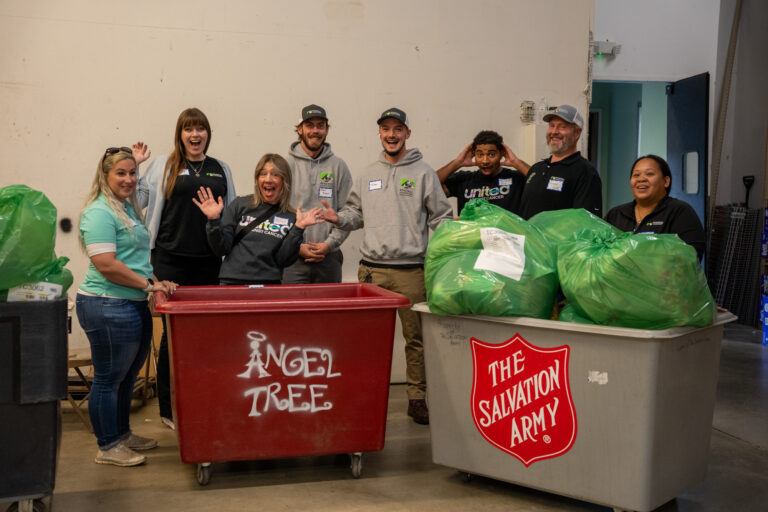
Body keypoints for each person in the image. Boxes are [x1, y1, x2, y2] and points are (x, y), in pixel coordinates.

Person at [320, 107, 453, 425]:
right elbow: (354, 213)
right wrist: (339, 218)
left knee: (416, 341)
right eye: (385, 129)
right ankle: (363, 394)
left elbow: (442, 219)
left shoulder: (424, 173)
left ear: (408, 133)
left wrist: (447, 255)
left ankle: (417, 399)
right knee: (366, 342)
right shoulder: (367, 174)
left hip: (411, 272)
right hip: (372, 272)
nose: (391, 135)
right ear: (379, 133)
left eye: (397, 129)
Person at [76, 146, 177, 467]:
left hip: (132, 304)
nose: (129, 179)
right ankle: (107, 446)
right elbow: (106, 264)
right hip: (106, 305)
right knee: (108, 379)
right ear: (105, 176)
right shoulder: (99, 212)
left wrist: (156, 282)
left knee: (126, 376)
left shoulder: (126, 208)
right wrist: (149, 286)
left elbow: (136, 259)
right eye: (121, 173)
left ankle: (122, 434)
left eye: (132, 173)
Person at [137, 108, 236, 431]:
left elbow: (231, 214)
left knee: (207, 336)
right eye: (188, 129)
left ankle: (205, 398)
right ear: (180, 134)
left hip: (209, 263)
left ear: (208, 133)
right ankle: (168, 409)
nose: (195, 135)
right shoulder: (165, 165)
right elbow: (137, 200)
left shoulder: (221, 169)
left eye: (201, 129)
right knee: (172, 336)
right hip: (169, 262)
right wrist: (136, 169)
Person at [194, 153, 325, 284]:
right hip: (232, 282)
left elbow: (283, 260)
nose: (268, 179)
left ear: (284, 181)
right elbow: (221, 249)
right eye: (263, 174)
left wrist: (298, 228)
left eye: (275, 174)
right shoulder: (240, 205)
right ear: (257, 179)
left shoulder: (291, 217)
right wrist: (213, 221)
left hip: (268, 285)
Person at [282, 104, 353, 283]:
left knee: (329, 311)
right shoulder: (284, 165)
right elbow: (275, 212)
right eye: (310, 125)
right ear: (300, 129)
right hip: (292, 259)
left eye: (320, 125)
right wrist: (296, 246)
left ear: (327, 130)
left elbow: (350, 212)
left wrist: (328, 245)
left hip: (330, 258)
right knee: (292, 311)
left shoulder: (339, 166)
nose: (315, 130)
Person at [605, 154, 706, 260]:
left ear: (666, 181)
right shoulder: (616, 214)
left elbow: (690, 257)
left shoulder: (680, 211)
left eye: (649, 174)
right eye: (636, 175)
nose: (641, 179)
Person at [518, 104, 602, 220]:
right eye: (552, 126)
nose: (554, 132)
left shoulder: (585, 172)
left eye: (562, 127)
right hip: (528, 238)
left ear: (577, 132)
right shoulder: (537, 169)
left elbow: (586, 222)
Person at [436, 130, 530, 215]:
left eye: (491, 154)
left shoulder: (516, 179)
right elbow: (431, 184)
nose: (485, 161)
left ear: (501, 153)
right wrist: (457, 163)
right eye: (480, 154)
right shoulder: (463, 179)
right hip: (471, 234)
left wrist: (516, 162)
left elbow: (541, 183)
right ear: (474, 154)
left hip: (507, 233)